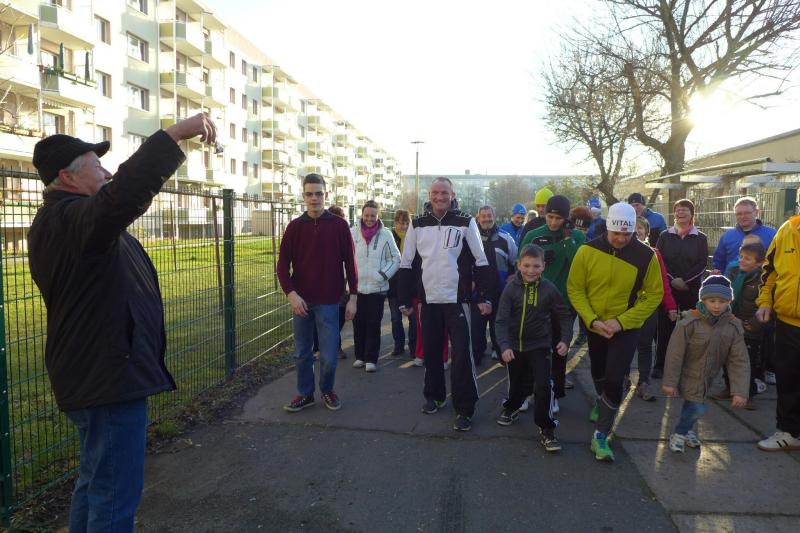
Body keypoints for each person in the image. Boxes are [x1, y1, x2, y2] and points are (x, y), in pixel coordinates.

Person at [28, 113, 217, 531]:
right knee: (113, 494)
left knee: (97, 481)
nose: (108, 173)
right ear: (68, 177)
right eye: (98, 166)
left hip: (101, 373)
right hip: (108, 377)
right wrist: (173, 136)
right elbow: (123, 197)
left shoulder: (74, 221)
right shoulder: (71, 221)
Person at [567, 202, 663, 462]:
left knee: (615, 377)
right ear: (607, 227)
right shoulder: (587, 251)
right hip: (596, 324)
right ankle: (602, 401)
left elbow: (654, 294)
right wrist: (591, 320)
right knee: (599, 371)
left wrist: (622, 322)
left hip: (625, 327)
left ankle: (601, 435)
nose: (621, 239)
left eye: (627, 234)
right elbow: (575, 288)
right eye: (616, 233)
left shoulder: (646, 256)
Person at [397, 177, 495, 432]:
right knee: (431, 352)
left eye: (444, 193)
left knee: (461, 355)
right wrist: (404, 299)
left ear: (452, 195)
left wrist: (484, 296)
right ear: (429, 195)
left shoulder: (466, 221)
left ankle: (465, 408)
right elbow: (406, 263)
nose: (439, 197)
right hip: (428, 301)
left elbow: (480, 260)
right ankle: (435, 396)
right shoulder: (417, 223)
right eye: (435, 192)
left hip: (457, 301)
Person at [278, 173, 358, 413]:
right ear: (303, 196)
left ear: (326, 194)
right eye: (309, 194)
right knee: (302, 354)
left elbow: (351, 264)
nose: (314, 198)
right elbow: (282, 266)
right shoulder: (294, 227)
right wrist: (291, 294)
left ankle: (327, 390)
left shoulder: (339, 226)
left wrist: (353, 297)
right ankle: (305, 394)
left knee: (330, 356)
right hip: (301, 302)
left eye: (319, 193)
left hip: (330, 301)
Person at [494, 245, 573, 452]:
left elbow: (565, 316)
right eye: (526, 265)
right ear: (519, 265)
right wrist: (504, 346)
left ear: (543, 266)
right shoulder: (510, 289)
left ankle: (547, 428)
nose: (531, 270)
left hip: (540, 346)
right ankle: (512, 408)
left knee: (543, 386)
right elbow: (500, 320)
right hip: (514, 347)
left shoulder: (549, 289)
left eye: (536, 266)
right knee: (517, 384)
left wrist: (565, 340)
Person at [662, 275, 749, 452]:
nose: (717, 306)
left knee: (692, 405)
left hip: (708, 376)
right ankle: (679, 433)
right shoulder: (689, 323)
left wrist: (740, 391)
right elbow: (674, 354)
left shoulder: (732, 326)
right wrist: (670, 382)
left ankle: (687, 430)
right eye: (712, 301)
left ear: (729, 301)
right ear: (703, 300)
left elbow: (739, 360)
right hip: (688, 373)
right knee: (697, 407)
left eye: (722, 301)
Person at [519, 195, 585, 411]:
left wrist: (566, 239)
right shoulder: (534, 234)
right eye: (550, 217)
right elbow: (521, 266)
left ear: (566, 219)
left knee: (559, 350)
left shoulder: (576, 236)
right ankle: (526, 391)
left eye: (558, 218)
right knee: (531, 348)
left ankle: (553, 394)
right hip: (535, 301)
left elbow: (579, 264)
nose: (553, 222)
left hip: (563, 303)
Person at [754, 211, 800, 451]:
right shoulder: (786, 231)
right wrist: (764, 302)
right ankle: (789, 432)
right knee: (788, 378)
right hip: (788, 322)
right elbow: (769, 271)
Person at [652, 199, 708, 379]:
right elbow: (658, 260)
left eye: (685, 209)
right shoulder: (664, 236)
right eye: (678, 209)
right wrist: (672, 280)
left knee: (689, 327)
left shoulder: (700, 237)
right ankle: (661, 364)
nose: (681, 212)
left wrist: (685, 281)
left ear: (692, 214)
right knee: (664, 328)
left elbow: (702, 264)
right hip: (668, 290)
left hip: (690, 289)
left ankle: (687, 365)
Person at [711, 242, 767, 408]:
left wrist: (755, 324)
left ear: (759, 262)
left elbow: (766, 305)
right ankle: (730, 388)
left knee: (747, 362)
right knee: (727, 358)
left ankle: (747, 394)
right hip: (730, 323)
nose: (742, 260)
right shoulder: (734, 272)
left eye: (747, 259)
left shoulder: (762, 279)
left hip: (749, 328)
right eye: (741, 256)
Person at [350, 200, 400, 372]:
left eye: (373, 215)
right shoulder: (353, 233)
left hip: (377, 288)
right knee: (358, 323)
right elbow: (345, 258)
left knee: (373, 323)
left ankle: (371, 358)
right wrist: (349, 277)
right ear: (362, 215)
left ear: (378, 216)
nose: (369, 219)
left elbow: (395, 258)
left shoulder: (386, 234)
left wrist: (383, 275)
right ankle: (360, 356)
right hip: (357, 289)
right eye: (366, 215)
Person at [633, 217, 677, 401]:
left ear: (647, 232)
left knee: (645, 345)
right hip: (625, 306)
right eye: (633, 227)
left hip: (648, 306)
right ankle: (623, 377)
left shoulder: (654, 253)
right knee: (624, 344)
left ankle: (644, 382)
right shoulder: (618, 253)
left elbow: (662, 282)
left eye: (640, 228)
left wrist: (670, 306)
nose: (636, 231)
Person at [472, 205, 517, 365]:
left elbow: (515, 261)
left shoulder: (506, 238)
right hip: (477, 295)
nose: (486, 219)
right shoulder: (470, 238)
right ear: (478, 218)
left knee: (499, 331)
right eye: (483, 216)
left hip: (500, 293)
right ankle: (476, 356)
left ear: (494, 217)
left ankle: (502, 357)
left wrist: (512, 275)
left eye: (489, 215)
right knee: (476, 333)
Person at [312, 205, 349, 360]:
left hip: (342, 283)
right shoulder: (321, 234)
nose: (340, 220)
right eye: (338, 217)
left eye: (342, 217)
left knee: (339, 316)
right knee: (322, 318)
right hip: (322, 283)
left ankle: (332, 345)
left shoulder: (346, 232)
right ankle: (322, 348)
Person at [711, 197, 777, 274]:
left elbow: (778, 261)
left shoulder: (772, 234)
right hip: (731, 280)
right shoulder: (727, 236)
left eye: (747, 213)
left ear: (756, 212)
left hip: (762, 280)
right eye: (739, 214)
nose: (743, 216)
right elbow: (718, 262)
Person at [388, 209, 417, 356]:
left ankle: (413, 347)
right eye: (401, 223)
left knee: (413, 319)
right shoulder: (390, 237)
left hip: (410, 284)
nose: (404, 226)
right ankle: (398, 345)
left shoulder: (413, 237)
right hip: (394, 284)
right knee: (395, 318)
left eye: (406, 223)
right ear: (395, 223)